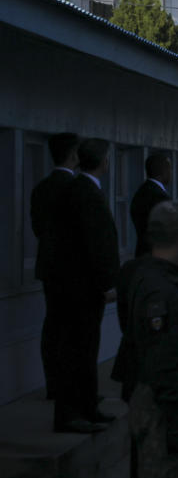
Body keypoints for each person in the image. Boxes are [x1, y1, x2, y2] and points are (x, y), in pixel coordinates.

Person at [127, 201, 178, 478]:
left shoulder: (145, 275)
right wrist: (174, 421)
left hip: (156, 398)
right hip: (161, 404)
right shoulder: (161, 289)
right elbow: (162, 359)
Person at [52, 137, 120, 433]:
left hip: (76, 285)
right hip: (82, 287)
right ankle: (73, 412)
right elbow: (95, 244)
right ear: (103, 162)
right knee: (79, 349)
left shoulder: (77, 190)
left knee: (83, 349)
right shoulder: (86, 194)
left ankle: (85, 407)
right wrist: (107, 282)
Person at [30, 132, 79, 400]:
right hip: (75, 270)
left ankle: (54, 384)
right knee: (76, 330)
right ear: (73, 155)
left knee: (53, 326)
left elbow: (38, 228)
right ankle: (72, 386)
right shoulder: (77, 189)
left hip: (50, 267)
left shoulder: (41, 189)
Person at [131, 153, 173, 257]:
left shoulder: (141, 192)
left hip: (142, 253)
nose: (171, 173)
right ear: (163, 171)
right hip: (157, 256)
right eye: (170, 169)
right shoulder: (160, 197)